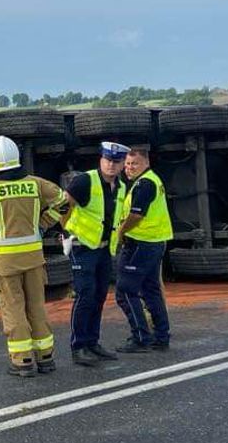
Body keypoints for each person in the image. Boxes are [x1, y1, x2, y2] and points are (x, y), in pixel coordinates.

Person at [0, 135, 70, 377]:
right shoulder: (36, 184)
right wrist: (43, 224)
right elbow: (62, 202)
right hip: (34, 258)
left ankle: (22, 360)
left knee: (14, 310)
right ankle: (46, 357)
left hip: (6, 263)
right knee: (37, 308)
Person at [62, 141, 129, 366]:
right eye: (108, 160)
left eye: (116, 161)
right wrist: (65, 232)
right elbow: (64, 206)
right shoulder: (85, 181)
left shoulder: (120, 187)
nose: (111, 165)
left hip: (103, 250)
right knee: (85, 295)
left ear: (122, 165)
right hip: (83, 247)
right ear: (101, 159)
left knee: (99, 295)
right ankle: (78, 346)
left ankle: (92, 342)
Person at [113, 146, 173, 353]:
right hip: (154, 242)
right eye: (127, 164)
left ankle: (140, 337)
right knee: (151, 290)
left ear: (146, 163)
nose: (129, 168)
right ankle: (161, 336)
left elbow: (137, 215)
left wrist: (121, 231)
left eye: (134, 164)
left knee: (125, 291)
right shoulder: (150, 180)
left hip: (141, 243)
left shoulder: (145, 184)